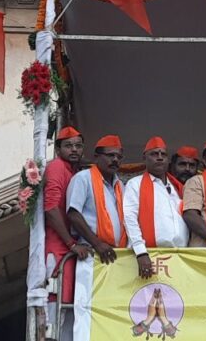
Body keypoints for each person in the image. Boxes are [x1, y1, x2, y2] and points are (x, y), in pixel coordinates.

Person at [42, 126, 88, 340]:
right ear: (58, 148)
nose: (74, 150)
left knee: (71, 304)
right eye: (68, 146)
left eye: (78, 146)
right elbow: (51, 209)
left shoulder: (74, 172)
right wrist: (71, 244)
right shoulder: (57, 167)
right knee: (57, 305)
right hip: (59, 247)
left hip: (69, 248)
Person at [124, 137, 189, 279]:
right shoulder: (135, 184)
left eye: (163, 155)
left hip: (180, 258)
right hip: (148, 257)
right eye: (154, 154)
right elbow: (129, 219)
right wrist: (141, 252)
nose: (159, 158)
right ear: (144, 158)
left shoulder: (178, 187)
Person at [67, 135, 127, 266]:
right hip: (91, 253)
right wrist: (98, 244)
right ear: (97, 156)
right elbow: (73, 214)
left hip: (117, 254)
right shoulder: (83, 178)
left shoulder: (120, 186)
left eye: (119, 157)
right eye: (110, 155)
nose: (115, 160)